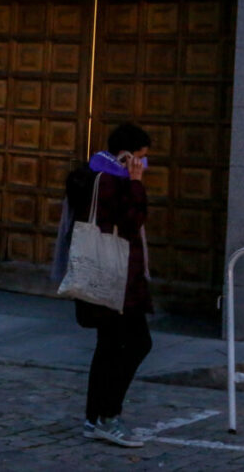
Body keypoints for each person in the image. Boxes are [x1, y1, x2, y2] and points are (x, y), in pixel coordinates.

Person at [68, 123, 152, 448]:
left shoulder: (93, 175)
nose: (143, 165)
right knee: (137, 343)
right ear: (126, 156)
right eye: (141, 159)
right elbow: (131, 221)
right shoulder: (110, 182)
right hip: (117, 280)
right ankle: (107, 416)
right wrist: (136, 183)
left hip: (105, 277)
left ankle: (94, 418)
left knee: (108, 347)